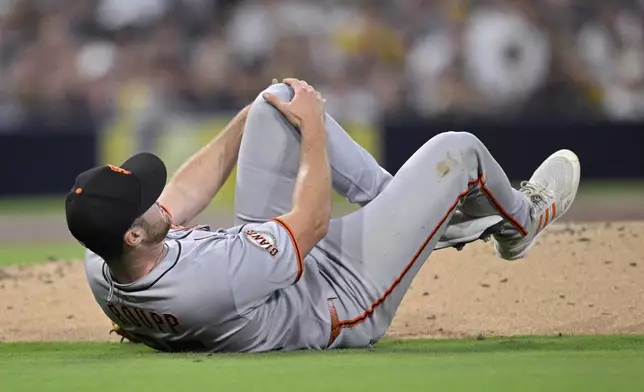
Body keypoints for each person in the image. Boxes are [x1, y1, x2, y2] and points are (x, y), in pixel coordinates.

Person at [65, 78, 580, 352]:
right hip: (338, 297)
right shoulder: (205, 283)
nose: (159, 201)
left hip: (268, 274)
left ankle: (420, 216)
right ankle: (522, 223)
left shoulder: (105, 261)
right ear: (133, 234)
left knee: (275, 102)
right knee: (459, 149)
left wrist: (247, 119)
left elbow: (183, 192)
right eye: (145, 204)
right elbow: (310, 222)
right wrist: (312, 128)